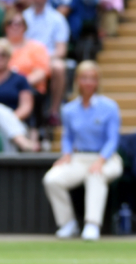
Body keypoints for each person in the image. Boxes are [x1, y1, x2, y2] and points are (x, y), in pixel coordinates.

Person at [43, 60, 122, 241]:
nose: (88, 82)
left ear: (97, 82)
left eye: (92, 78)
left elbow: (112, 139)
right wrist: (66, 154)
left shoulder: (110, 107)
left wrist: (100, 161)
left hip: (107, 158)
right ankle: (67, 223)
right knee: (51, 179)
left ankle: (92, 224)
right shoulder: (69, 109)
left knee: (95, 175)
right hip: (79, 158)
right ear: (78, 80)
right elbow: (68, 137)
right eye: (84, 78)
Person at [23, 0, 69, 126]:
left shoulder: (57, 19)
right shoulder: (22, 18)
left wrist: (43, 60)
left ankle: (54, 111)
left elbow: (61, 50)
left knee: (59, 67)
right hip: (26, 58)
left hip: (49, 58)